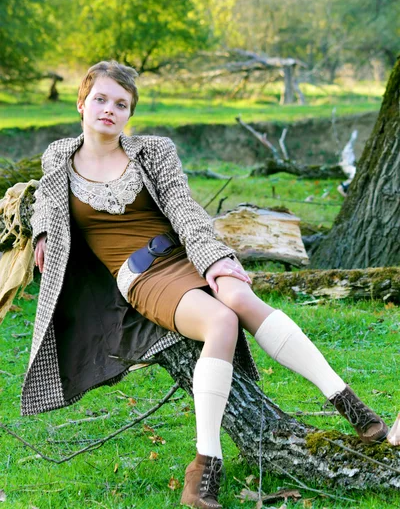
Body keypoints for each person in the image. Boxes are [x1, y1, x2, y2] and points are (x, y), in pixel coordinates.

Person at [28, 61, 388, 509]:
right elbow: (43, 196)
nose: (109, 110)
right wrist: (43, 229)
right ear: (82, 103)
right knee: (221, 322)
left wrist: (217, 262)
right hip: (141, 275)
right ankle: (204, 466)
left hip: (186, 252)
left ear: (129, 114)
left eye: (121, 104)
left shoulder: (153, 150)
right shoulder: (60, 155)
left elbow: (185, 211)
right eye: (100, 99)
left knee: (237, 294)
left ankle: (354, 408)